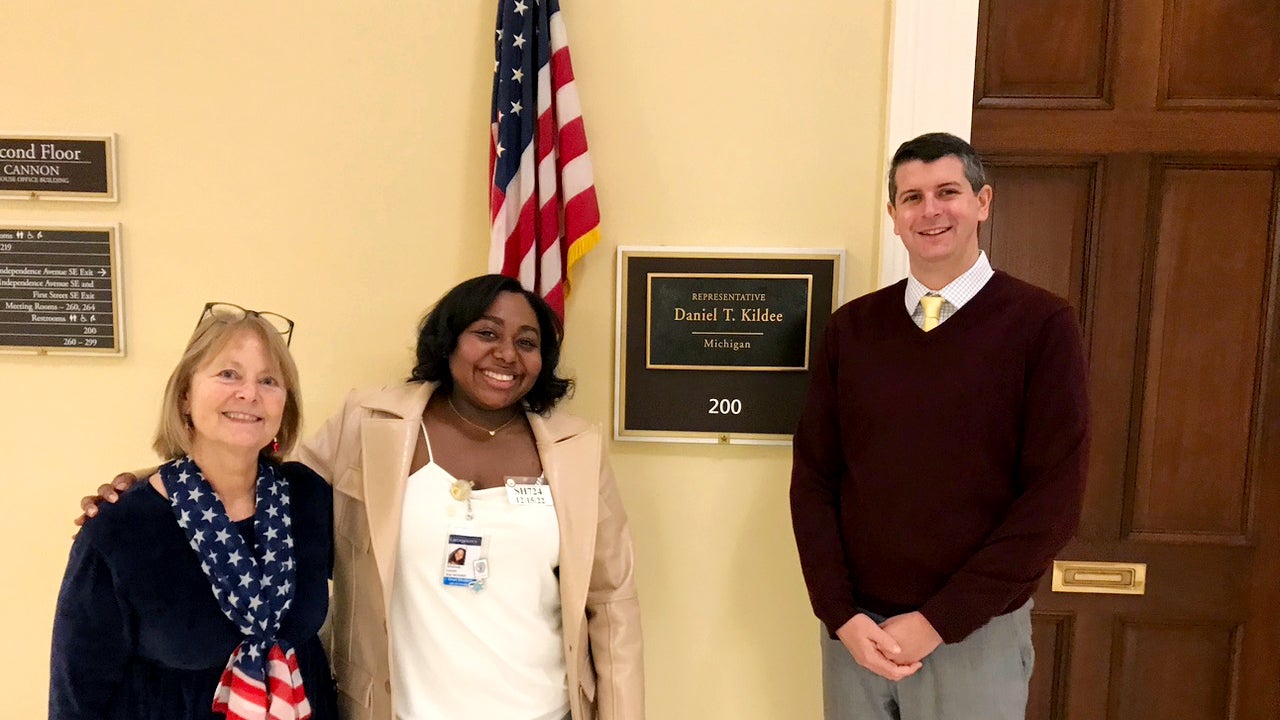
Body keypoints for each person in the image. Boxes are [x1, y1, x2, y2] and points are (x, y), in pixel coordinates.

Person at [81, 275, 644, 720]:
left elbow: (612, 605)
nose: (506, 354)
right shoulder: (373, 424)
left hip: (542, 709)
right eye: (487, 333)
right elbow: (252, 474)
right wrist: (151, 484)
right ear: (449, 341)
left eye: (528, 342)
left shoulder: (576, 450)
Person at [789, 132, 1090, 720]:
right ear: (894, 218)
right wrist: (839, 614)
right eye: (911, 197)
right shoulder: (851, 331)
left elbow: (1053, 500)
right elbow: (815, 481)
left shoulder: (1042, 325)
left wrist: (938, 621)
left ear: (982, 202)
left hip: (974, 637)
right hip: (856, 638)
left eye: (947, 192)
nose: (930, 210)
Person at [51, 303, 337, 720]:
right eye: (228, 374)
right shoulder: (122, 526)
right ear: (185, 395)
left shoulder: (308, 497)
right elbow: (77, 693)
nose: (249, 393)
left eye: (269, 380)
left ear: (284, 404)